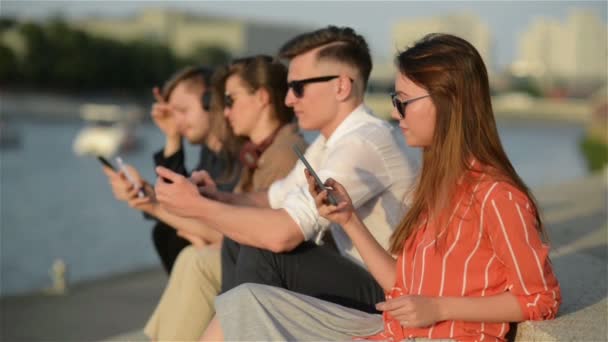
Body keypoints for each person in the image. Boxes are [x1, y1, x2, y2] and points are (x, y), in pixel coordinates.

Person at [203, 33, 562, 342]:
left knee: (250, 301)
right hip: (389, 331)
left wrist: (438, 307)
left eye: (402, 102)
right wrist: (348, 220)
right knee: (244, 300)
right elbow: (402, 286)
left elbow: (541, 299)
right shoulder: (435, 187)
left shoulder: (498, 196)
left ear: (448, 102)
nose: (394, 114)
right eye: (395, 102)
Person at [152, 25, 413, 316]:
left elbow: (282, 235)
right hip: (357, 277)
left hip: (393, 295)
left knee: (264, 249)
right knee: (242, 240)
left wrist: (197, 206)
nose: (289, 99)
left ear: (341, 86)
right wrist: (213, 196)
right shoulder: (330, 141)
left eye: (298, 87)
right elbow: (273, 198)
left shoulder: (362, 143)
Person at [142, 55, 307, 341]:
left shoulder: (282, 154)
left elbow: (260, 234)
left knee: (198, 261)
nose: (225, 112)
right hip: (255, 263)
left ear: (262, 98)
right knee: (190, 253)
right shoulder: (262, 152)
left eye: (230, 100)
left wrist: (157, 205)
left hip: (275, 273)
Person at [103, 65, 241, 273]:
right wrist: (172, 137)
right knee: (165, 230)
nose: (177, 121)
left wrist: (151, 203)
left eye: (183, 111)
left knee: (166, 231)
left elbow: (219, 224)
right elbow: (178, 202)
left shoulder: (238, 156)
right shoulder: (210, 154)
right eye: (173, 113)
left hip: (231, 274)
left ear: (211, 102)